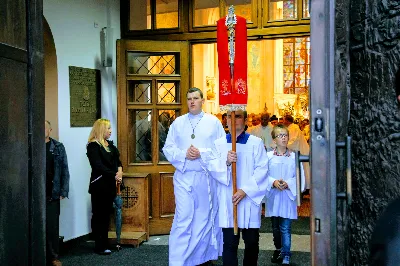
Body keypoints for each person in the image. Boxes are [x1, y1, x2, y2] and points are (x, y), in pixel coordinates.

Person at [162, 87, 225, 266]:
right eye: (189, 98)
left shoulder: (214, 123)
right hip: (184, 176)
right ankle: (178, 260)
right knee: (184, 216)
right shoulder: (178, 123)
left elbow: (220, 150)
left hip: (205, 178)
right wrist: (184, 154)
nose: (192, 101)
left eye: (195, 98)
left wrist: (201, 153)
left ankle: (201, 258)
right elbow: (168, 148)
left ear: (202, 101)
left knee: (204, 218)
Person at [211, 109, 269, 266]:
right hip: (229, 201)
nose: (233, 119)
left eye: (237, 116)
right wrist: (226, 161)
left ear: (245, 120)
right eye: (229, 116)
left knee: (251, 244)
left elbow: (262, 170)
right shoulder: (219, 144)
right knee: (229, 244)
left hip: (249, 200)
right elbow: (213, 169)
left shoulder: (255, 143)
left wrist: (245, 190)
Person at [265, 124, 305, 265]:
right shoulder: (268, 156)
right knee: (275, 227)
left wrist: (289, 183)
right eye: (280, 135)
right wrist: (273, 182)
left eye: (285, 135)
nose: (283, 138)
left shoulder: (294, 157)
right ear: (274, 140)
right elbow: (263, 175)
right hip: (274, 196)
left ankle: (286, 254)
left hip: (287, 196)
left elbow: (299, 177)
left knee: (285, 228)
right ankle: (279, 248)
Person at [86, 118, 123, 255]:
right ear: (101, 129)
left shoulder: (110, 145)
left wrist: (120, 172)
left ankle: (105, 243)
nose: (110, 131)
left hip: (111, 185)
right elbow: (98, 166)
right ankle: (99, 245)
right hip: (99, 185)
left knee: (107, 215)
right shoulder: (93, 146)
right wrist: (115, 174)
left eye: (110, 128)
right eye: (108, 128)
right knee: (99, 215)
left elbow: (118, 161)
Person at [45, 120, 70, 266]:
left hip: (52, 193)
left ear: (50, 130)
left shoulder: (58, 147)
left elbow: (65, 171)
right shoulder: (30, 145)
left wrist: (63, 190)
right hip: (35, 194)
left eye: (45, 128)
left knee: (52, 227)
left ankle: (53, 257)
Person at [282, 115, 310, 190]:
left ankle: (300, 187)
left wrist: (284, 145)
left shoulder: (294, 128)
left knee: (299, 170)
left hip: (297, 152)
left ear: (287, 121)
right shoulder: (290, 128)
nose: (282, 121)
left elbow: (294, 141)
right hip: (292, 152)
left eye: (284, 120)